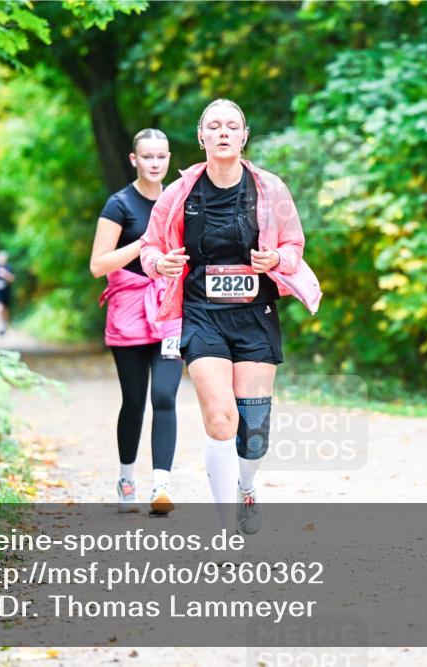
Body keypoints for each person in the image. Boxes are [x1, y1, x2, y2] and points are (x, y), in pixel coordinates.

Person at [140, 99, 321, 533]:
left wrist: (275, 256)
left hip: (256, 315)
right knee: (220, 418)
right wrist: (159, 264)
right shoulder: (179, 193)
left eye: (232, 126)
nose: (223, 132)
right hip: (202, 313)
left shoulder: (270, 190)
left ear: (244, 136)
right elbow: (149, 247)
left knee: (253, 430)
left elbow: (295, 247)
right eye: (214, 126)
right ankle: (225, 528)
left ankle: (246, 485)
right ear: (201, 137)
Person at [90, 128, 183, 515]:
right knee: (134, 401)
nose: (155, 163)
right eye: (147, 157)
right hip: (129, 313)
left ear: (168, 157)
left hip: (170, 312)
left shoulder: (180, 200)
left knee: (164, 396)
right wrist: (143, 241)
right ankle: (127, 477)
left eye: (161, 157)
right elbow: (98, 265)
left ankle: (160, 486)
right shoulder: (119, 204)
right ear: (134, 159)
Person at [0, 250, 14, 336]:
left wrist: (5, 274)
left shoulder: (9, 267)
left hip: (6, 292)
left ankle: (4, 325)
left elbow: (12, 279)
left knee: (5, 309)